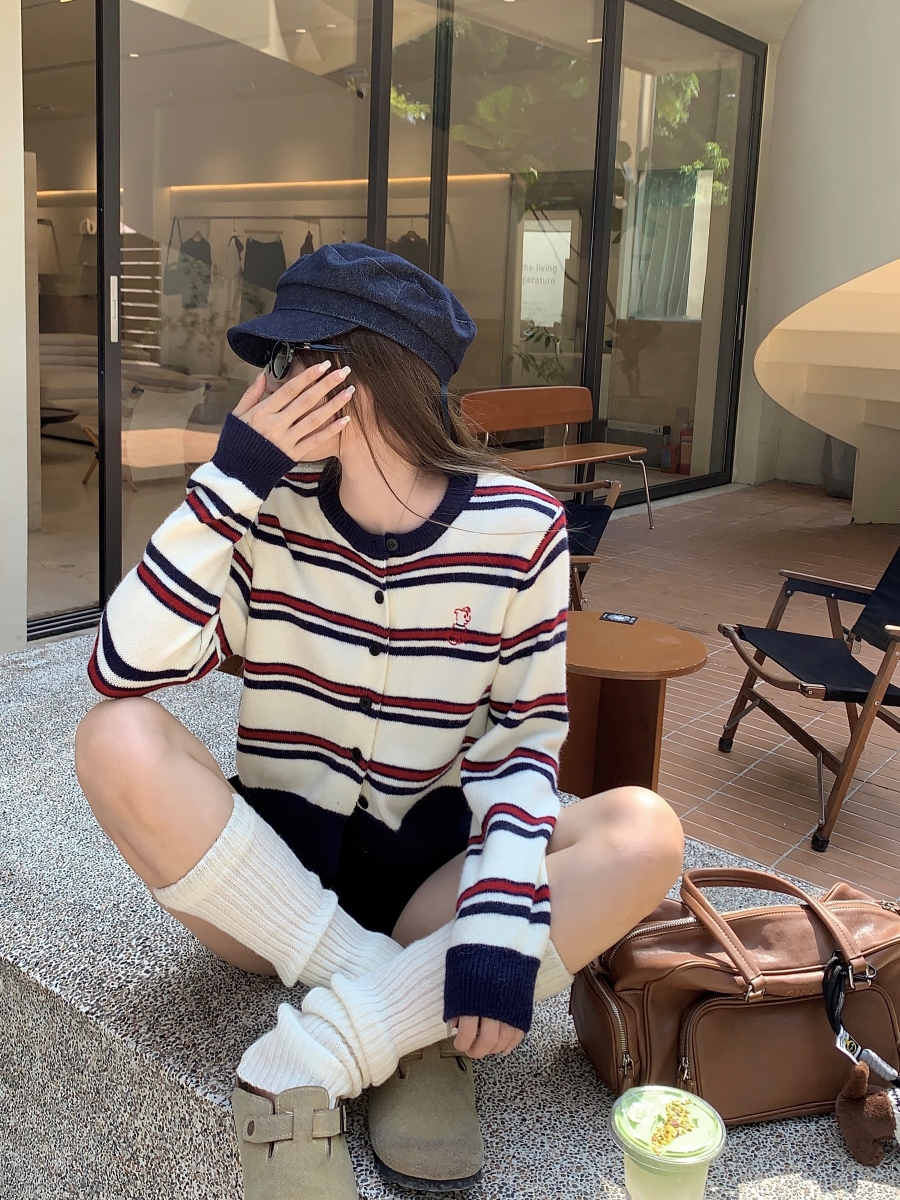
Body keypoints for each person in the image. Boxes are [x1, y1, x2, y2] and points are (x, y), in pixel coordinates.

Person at [75, 244, 684, 1200]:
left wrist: (495, 918)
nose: (264, 389)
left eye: (287, 361)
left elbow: (525, 740)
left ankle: (325, 1047)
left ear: (356, 378)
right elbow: (123, 667)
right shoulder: (263, 509)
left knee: (646, 831)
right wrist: (226, 484)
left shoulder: (522, 526)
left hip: (428, 884)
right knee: (111, 735)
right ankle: (399, 1007)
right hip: (271, 890)